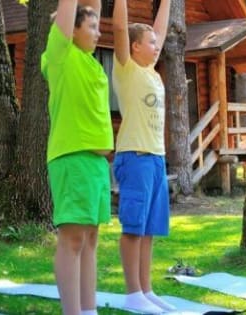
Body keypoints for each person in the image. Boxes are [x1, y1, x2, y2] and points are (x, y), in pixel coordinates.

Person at [41, 1, 114, 314]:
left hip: (96, 163)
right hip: (72, 158)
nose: (98, 33)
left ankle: (88, 309)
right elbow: (70, 7)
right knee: (72, 239)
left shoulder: (92, 63)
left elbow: (92, 5)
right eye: (92, 27)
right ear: (71, 31)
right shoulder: (60, 56)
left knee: (90, 240)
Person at [111, 0, 173, 313]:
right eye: (150, 42)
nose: (156, 45)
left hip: (156, 159)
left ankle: (146, 290)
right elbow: (120, 27)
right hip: (134, 156)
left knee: (149, 230)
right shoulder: (126, 69)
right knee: (133, 228)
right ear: (135, 47)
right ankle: (132, 293)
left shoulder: (151, 72)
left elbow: (159, 30)